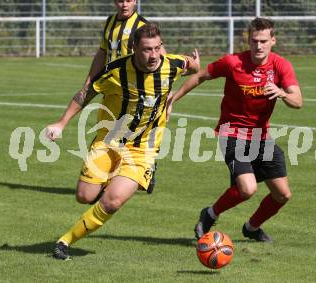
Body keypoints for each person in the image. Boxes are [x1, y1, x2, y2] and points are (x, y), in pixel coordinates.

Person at [46, 23, 200, 260]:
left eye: (158, 48)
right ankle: (109, 180)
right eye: (147, 49)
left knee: (112, 201)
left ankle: (65, 241)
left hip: (143, 148)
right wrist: (61, 123)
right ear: (134, 49)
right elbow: (86, 93)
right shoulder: (116, 70)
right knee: (85, 196)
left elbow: (193, 66)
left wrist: (174, 95)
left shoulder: (171, 65)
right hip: (109, 141)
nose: (154, 55)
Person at [168, 17, 302, 242]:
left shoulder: (281, 65)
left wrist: (282, 94)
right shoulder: (233, 63)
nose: (258, 46)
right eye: (253, 41)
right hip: (232, 133)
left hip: (260, 137)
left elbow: (298, 101)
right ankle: (210, 214)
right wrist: (173, 99)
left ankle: (251, 228)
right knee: (247, 189)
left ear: (273, 41)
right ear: (248, 40)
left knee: (282, 194)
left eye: (263, 41)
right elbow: (201, 75)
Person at [82, 0, 163, 195]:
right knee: (108, 128)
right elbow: (103, 53)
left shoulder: (142, 26)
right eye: (120, 0)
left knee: (133, 132)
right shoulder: (110, 22)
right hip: (114, 86)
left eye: (129, 0)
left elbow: (160, 56)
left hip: (138, 89)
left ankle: (145, 166)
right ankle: (109, 173)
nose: (124, 4)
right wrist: (89, 80)